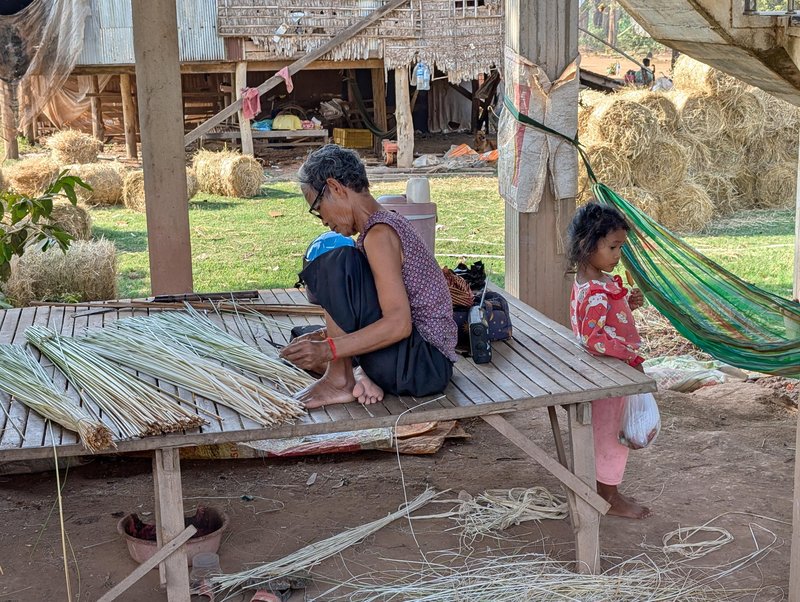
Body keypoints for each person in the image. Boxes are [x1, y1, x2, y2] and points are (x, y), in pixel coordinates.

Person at [279, 144, 458, 409]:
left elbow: (399, 324)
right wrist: (325, 337)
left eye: (318, 209)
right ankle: (360, 375)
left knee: (337, 261)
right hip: (422, 361)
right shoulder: (382, 224)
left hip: (422, 366)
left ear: (336, 188)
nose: (323, 221)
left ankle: (340, 379)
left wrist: (330, 349)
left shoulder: (379, 235)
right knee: (306, 337)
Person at [566, 202, 652, 519]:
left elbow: (600, 322)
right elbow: (594, 337)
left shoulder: (592, 283)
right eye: (613, 247)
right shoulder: (598, 292)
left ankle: (602, 489)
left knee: (602, 433)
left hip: (597, 371)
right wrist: (630, 355)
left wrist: (626, 303)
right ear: (586, 245)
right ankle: (610, 497)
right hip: (609, 376)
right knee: (612, 437)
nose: (618, 256)